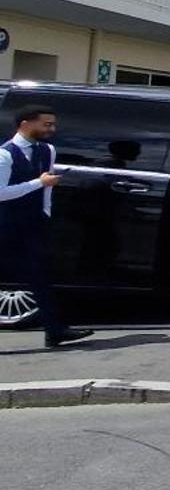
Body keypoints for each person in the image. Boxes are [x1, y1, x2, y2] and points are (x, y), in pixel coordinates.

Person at [1, 105, 89, 348]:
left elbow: (48, 185)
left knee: (41, 276)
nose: (52, 129)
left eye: (52, 124)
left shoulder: (47, 150)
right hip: (4, 224)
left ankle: (55, 331)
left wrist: (45, 211)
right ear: (25, 124)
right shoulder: (5, 154)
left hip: (32, 223)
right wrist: (36, 183)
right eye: (46, 124)